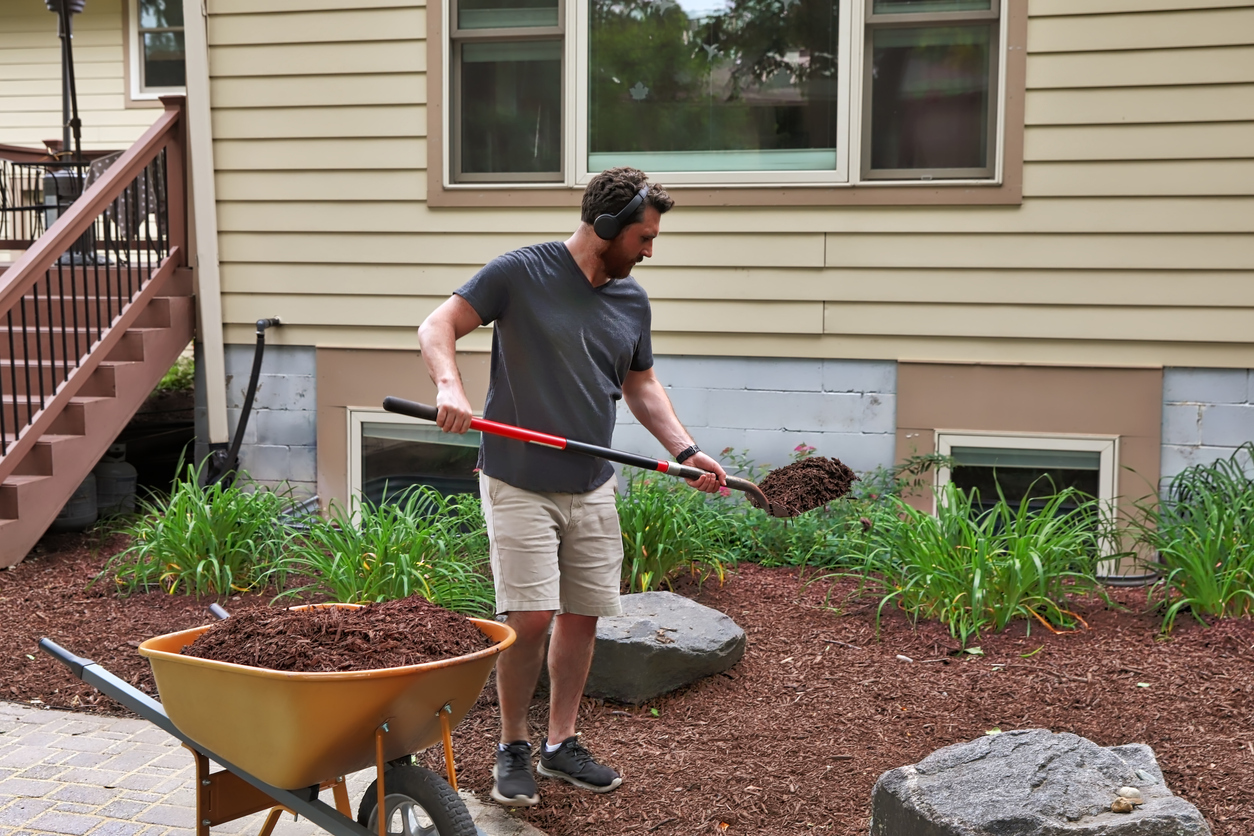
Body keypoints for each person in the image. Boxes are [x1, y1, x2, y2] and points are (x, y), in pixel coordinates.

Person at [417, 167, 727, 807]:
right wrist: (450, 387)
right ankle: (512, 744)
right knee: (530, 620)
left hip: (591, 483)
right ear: (607, 227)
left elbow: (640, 384)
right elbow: (437, 326)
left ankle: (561, 744)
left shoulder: (631, 300)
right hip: (519, 478)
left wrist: (686, 450)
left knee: (582, 617)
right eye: (643, 237)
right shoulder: (520, 272)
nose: (649, 250)